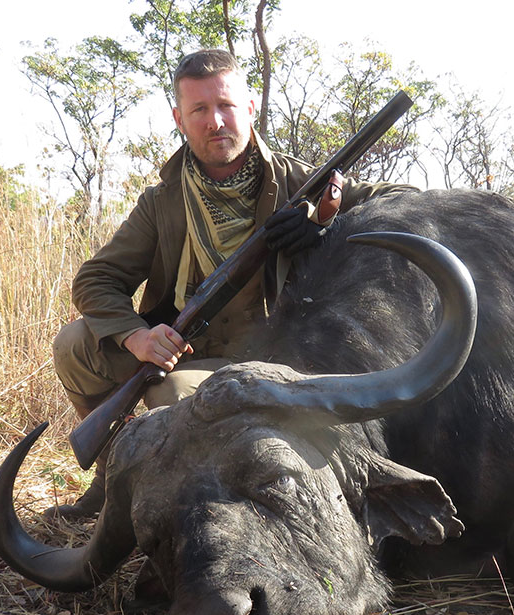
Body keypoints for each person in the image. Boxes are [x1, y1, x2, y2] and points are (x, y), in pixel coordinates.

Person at [49, 48, 417, 519]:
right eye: (200, 109)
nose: (215, 121)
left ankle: (208, 512)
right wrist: (137, 337)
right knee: (75, 345)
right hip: (182, 346)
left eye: (225, 105)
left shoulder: (299, 182)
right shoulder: (162, 200)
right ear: (179, 119)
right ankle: (114, 482)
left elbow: (403, 201)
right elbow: (96, 279)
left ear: (249, 109)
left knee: (175, 393)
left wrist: (328, 224)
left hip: (271, 360)